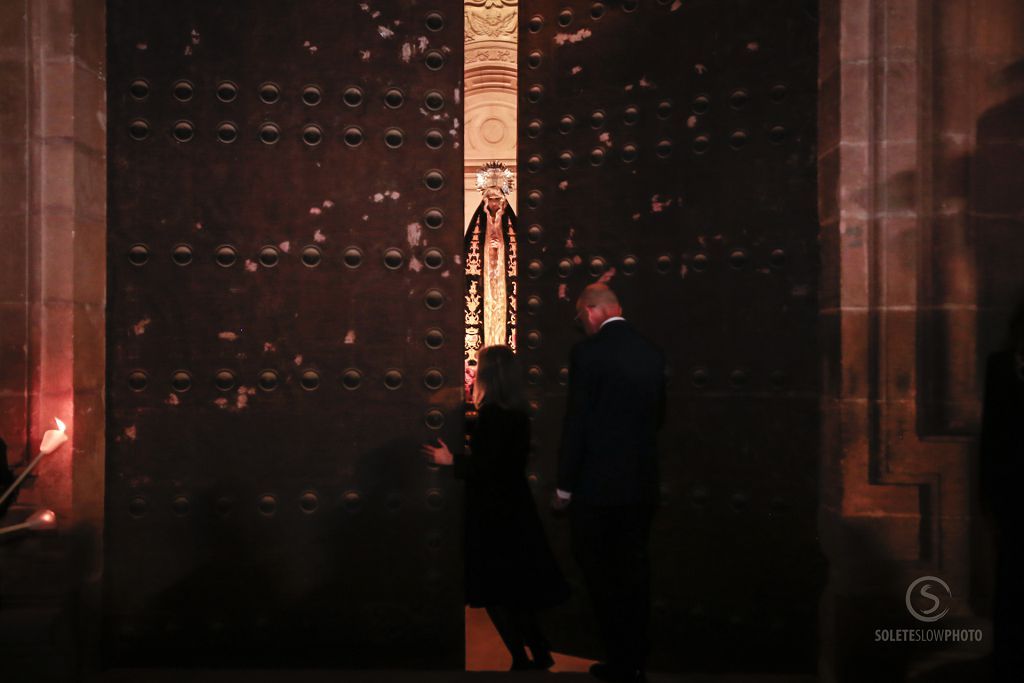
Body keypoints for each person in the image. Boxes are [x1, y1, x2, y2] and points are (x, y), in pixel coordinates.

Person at [423, 345, 568, 670]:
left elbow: (488, 467)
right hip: (515, 508)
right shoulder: (517, 413)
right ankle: (539, 652)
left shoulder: (492, 415)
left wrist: (452, 461)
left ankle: (520, 658)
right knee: (515, 591)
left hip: (492, 513)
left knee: (494, 591)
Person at [552, 284, 666, 683]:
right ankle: (635, 660)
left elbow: (577, 421)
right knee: (634, 573)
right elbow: (657, 419)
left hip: (596, 489)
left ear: (592, 310)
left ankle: (618, 659)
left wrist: (564, 485)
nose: (580, 324)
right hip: (640, 485)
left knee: (600, 574)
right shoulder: (651, 352)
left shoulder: (588, 353)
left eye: (579, 317)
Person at [979, 300, 1024, 680]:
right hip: (1011, 491)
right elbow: (991, 436)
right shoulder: (999, 367)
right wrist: (988, 498)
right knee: (1009, 576)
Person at [464, 162, 518, 404]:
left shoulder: (511, 228)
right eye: (490, 198)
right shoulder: (479, 225)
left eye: (498, 199)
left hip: (503, 285)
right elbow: (471, 257)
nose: (494, 203)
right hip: (484, 283)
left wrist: (501, 246)